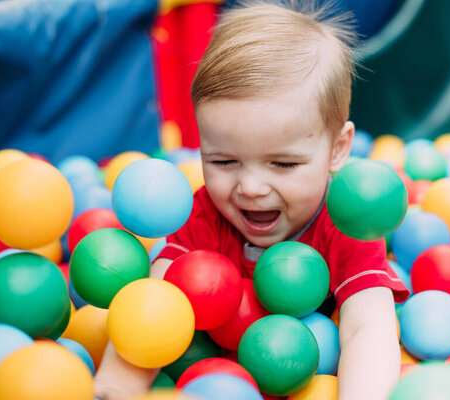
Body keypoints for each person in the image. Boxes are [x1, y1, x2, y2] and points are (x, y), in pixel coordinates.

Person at [95, 1, 409, 399]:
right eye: (223, 160)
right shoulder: (204, 213)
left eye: (282, 163)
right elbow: (156, 305)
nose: (251, 188)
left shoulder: (348, 222)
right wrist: (114, 388)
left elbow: (368, 327)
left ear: (337, 149)